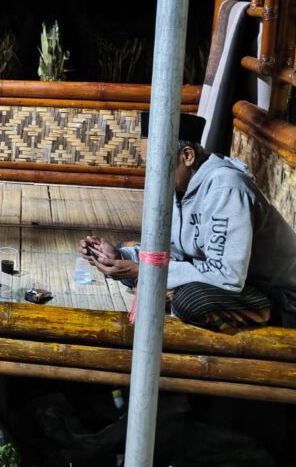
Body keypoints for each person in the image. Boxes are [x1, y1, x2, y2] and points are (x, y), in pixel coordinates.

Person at [79, 112, 296, 330]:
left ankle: (272, 317)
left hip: (276, 296)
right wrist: (120, 257)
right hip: (222, 277)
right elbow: (173, 253)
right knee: (126, 250)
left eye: (156, 164)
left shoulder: (227, 188)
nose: (150, 174)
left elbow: (226, 276)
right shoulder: (178, 188)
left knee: (189, 301)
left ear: (188, 156)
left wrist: (143, 272)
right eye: (147, 165)